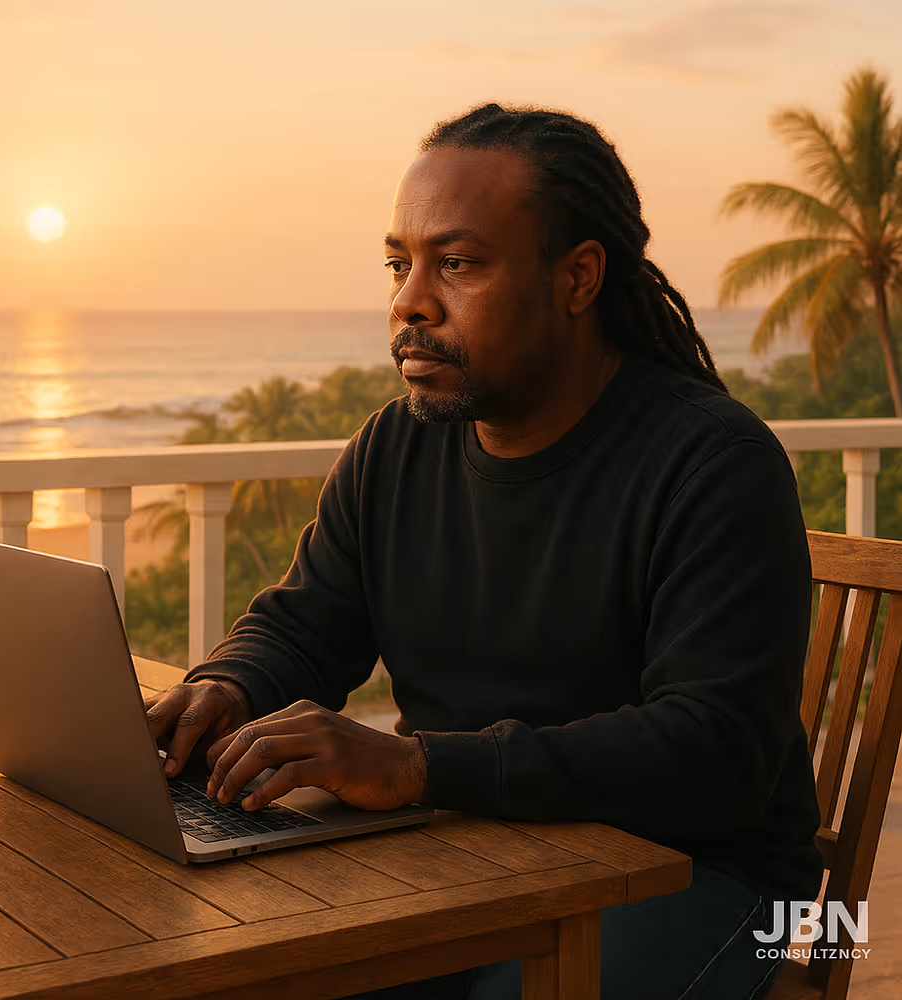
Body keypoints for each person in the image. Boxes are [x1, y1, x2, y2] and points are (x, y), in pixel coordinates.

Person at [144, 103, 823, 999]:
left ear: (577, 278)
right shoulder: (394, 449)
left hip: (717, 879)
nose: (408, 302)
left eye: (456, 264)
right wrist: (226, 688)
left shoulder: (713, 463)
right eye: (400, 264)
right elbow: (305, 628)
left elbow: (717, 753)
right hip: (480, 854)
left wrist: (419, 766)